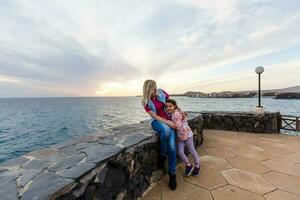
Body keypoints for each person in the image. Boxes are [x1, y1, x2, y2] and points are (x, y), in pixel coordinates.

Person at [142, 79, 177, 190]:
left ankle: (172, 175)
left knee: (172, 148)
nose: (155, 90)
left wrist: (178, 112)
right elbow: (155, 116)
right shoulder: (145, 101)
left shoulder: (161, 93)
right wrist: (168, 123)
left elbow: (172, 104)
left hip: (169, 120)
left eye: (156, 87)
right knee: (166, 130)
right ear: (148, 89)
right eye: (153, 88)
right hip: (157, 122)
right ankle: (162, 154)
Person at [165, 99, 200, 176]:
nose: (168, 108)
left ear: (174, 106)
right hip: (181, 137)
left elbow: (176, 126)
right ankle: (188, 165)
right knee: (180, 152)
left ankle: (197, 166)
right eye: (166, 106)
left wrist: (165, 121)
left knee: (192, 150)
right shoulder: (173, 113)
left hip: (187, 135)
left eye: (170, 106)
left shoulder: (177, 114)